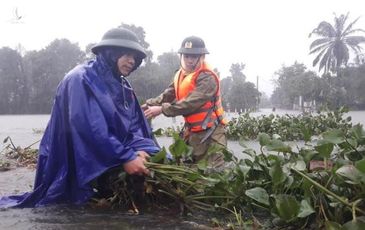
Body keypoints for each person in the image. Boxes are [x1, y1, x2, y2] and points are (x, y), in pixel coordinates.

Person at [0, 27, 160, 208]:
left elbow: (134, 127)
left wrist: (141, 150)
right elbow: (89, 127)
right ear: (110, 53)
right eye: (126, 55)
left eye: (135, 57)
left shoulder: (123, 86)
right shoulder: (81, 78)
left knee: (155, 158)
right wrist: (126, 157)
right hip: (76, 153)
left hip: (109, 150)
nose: (132, 61)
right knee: (65, 199)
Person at [143, 36, 227, 168]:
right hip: (192, 132)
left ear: (202, 57)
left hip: (212, 134)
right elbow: (167, 95)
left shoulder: (208, 78)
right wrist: (149, 104)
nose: (189, 60)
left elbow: (190, 103)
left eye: (194, 56)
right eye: (186, 56)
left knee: (212, 174)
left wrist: (162, 109)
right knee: (189, 169)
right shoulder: (181, 75)